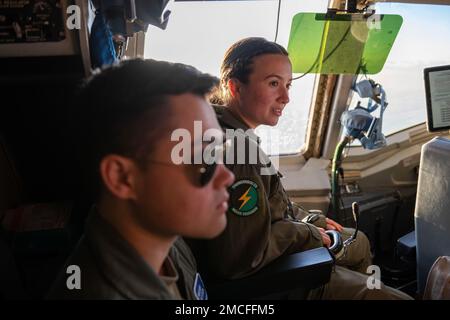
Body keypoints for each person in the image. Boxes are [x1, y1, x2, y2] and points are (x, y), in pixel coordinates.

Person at [198, 37, 411, 299]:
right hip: (273, 282)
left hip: (276, 250)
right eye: (274, 83)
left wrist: (310, 220)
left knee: (360, 241)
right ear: (235, 87)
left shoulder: (227, 131)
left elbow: (269, 205)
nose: (286, 97)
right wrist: (307, 232)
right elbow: (242, 258)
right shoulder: (238, 152)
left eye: (287, 85)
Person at [47, 59, 234, 299]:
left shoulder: (167, 242)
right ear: (122, 178)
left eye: (218, 152)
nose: (227, 176)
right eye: (204, 159)